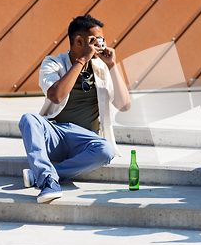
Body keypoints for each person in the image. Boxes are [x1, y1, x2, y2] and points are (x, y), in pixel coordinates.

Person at [19, 14, 131, 203]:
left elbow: (124, 105)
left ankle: (45, 176)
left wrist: (112, 66)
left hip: (86, 140)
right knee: (29, 119)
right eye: (95, 40)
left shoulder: (102, 68)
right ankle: (48, 181)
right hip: (56, 133)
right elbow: (56, 95)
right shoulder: (52, 63)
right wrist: (81, 61)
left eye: (102, 40)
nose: (101, 44)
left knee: (106, 150)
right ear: (79, 40)